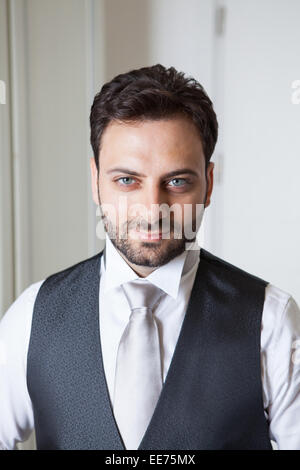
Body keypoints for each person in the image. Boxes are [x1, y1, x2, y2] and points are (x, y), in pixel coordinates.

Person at [0, 64, 299, 450]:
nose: (152, 208)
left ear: (208, 184)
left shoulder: (271, 322)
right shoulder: (31, 316)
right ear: (95, 181)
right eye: (127, 180)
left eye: (176, 182)